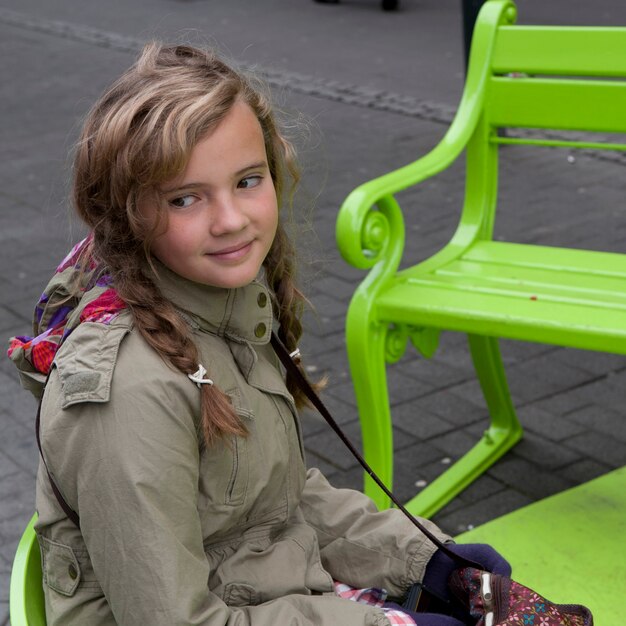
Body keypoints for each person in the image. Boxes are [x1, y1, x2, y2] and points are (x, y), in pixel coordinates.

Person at [8, 43, 509, 625]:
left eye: (248, 180)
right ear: (127, 214)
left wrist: (426, 561)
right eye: (185, 198)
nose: (231, 219)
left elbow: (278, 502)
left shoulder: (226, 309)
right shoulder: (128, 392)